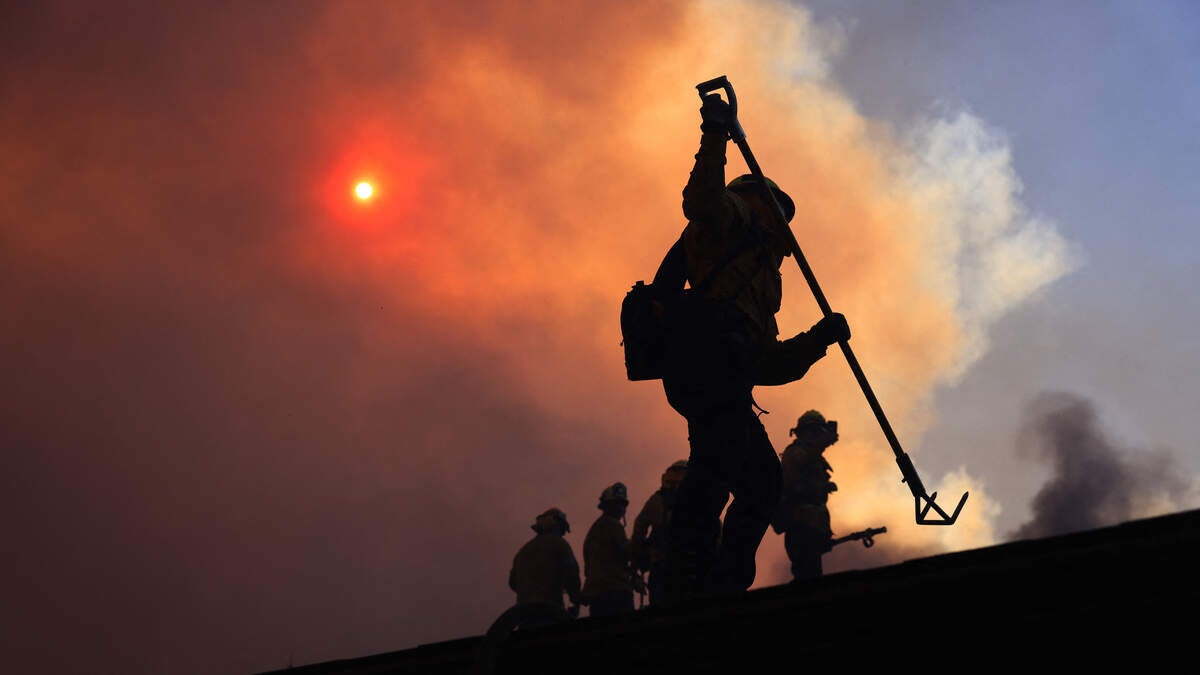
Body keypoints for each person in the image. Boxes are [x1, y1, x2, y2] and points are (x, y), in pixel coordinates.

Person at [657, 93, 851, 601]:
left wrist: (818, 340)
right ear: (759, 202)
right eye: (780, 212)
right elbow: (701, 199)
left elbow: (766, 364)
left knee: (750, 479)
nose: (786, 227)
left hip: (726, 372)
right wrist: (715, 133)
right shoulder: (729, 221)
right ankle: (692, 586)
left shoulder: (761, 275)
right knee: (725, 471)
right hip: (706, 359)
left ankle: (708, 584)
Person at [774, 410, 839, 581]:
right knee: (807, 578)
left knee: (811, 576)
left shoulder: (812, 456)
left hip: (812, 528)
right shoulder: (795, 453)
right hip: (800, 528)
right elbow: (794, 487)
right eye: (814, 431)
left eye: (819, 432)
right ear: (803, 432)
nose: (817, 436)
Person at [508, 508, 581, 628]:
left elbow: (512, 583)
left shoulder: (524, 551)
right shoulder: (560, 545)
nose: (563, 533)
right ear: (557, 525)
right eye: (562, 529)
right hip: (550, 613)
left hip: (524, 616)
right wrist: (575, 601)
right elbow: (572, 576)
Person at [631, 460, 688, 605]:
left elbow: (638, 530)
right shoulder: (695, 500)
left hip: (660, 568)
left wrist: (637, 559)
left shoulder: (656, 500)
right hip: (688, 568)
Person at [582, 483, 637, 617]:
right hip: (617, 592)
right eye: (617, 504)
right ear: (607, 506)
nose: (621, 508)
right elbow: (627, 553)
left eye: (623, 504)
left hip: (597, 595)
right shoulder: (613, 525)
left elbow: (589, 567)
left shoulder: (593, 530)